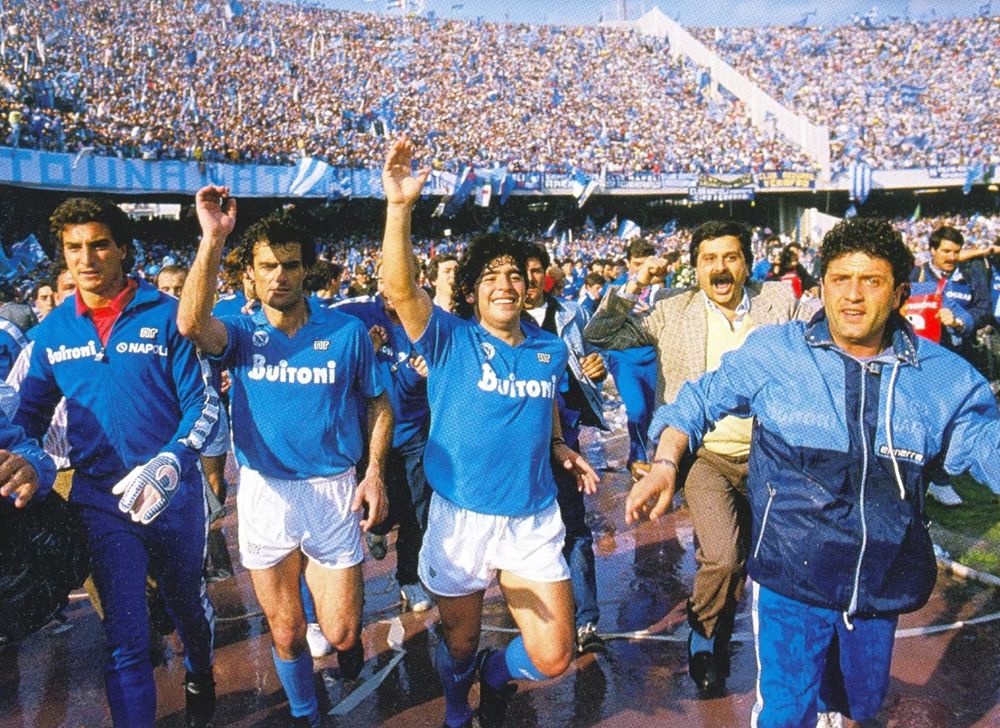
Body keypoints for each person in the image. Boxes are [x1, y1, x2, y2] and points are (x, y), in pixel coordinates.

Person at [627, 217, 1000, 727]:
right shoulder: (776, 353)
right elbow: (696, 400)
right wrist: (667, 460)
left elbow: (985, 444)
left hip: (878, 576)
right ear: (821, 287)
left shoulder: (944, 379)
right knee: (784, 709)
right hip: (791, 571)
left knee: (860, 704)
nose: (852, 296)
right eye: (840, 280)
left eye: (870, 281)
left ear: (899, 294)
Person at [381, 137, 598, 728]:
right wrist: (399, 207)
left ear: (529, 289)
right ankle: (457, 708)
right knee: (457, 641)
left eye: (514, 276)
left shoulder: (550, 350)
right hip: (460, 519)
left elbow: (545, 404)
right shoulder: (450, 339)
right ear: (473, 290)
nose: (505, 284)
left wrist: (556, 444)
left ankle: (495, 676)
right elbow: (400, 289)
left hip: (530, 518)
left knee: (554, 655)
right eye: (491, 276)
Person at [178, 186, 392, 728]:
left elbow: (379, 402)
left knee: (341, 631)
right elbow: (189, 325)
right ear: (249, 273)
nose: (278, 276)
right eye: (267, 265)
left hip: (333, 489)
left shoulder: (345, 332)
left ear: (306, 271)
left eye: (289, 265)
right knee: (286, 630)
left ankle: (346, 644)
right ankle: (305, 715)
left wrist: (374, 474)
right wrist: (212, 238)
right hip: (264, 490)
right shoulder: (241, 332)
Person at [584, 220, 813, 695]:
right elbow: (600, 333)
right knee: (724, 557)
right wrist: (634, 284)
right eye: (709, 259)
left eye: (730, 257)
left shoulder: (778, 301)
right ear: (695, 268)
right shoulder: (671, 308)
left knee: (758, 559)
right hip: (706, 455)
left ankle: (733, 623)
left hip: (772, 454)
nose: (720, 267)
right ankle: (706, 633)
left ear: (747, 262)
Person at [15, 197, 219, 728]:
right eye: (73, 248)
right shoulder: (51, 334)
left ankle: (201, 668)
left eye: (99, 244)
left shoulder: (168, 315)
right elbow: (21, 422)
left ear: (123, 249)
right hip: (101, 504)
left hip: (173, 498)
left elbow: (205, 404)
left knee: (186, 610)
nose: (86, 258)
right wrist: (32, 464)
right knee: (126, 639)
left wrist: (173, 460)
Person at [524, 243, 609, 654]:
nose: (528, 281)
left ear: (547, 273)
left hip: (566, 438)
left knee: (574, 529)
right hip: (518, 442)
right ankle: (536, 617)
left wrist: (598, 366)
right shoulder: (498, 319)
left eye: (536, 271)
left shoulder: (572, 313)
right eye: (521, 272)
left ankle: (585, 619)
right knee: (522, 531)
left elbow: (594, 357)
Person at [336, 259, 435, 613]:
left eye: (403, 278)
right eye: (386, 280)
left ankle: (409, 578)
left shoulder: (430, 321)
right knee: (367, 508)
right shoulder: (356, 314)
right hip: (369, 435)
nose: (392, 288)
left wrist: (428, 375)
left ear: (418, 281)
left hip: (413, 434)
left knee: (416, 511)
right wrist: (364, 349)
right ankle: (376, 530)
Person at [909, 225, 991, 506]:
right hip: (920, 361)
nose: (952, 256)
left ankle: (942, 479)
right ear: (932, 250)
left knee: (952, 421)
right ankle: (917, 477)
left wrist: (959, 321)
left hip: (958, 358)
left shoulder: (971, 275)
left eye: (957, 251)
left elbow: (983, 310)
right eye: (946, 250)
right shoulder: (916, 275)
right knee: (920, 421)